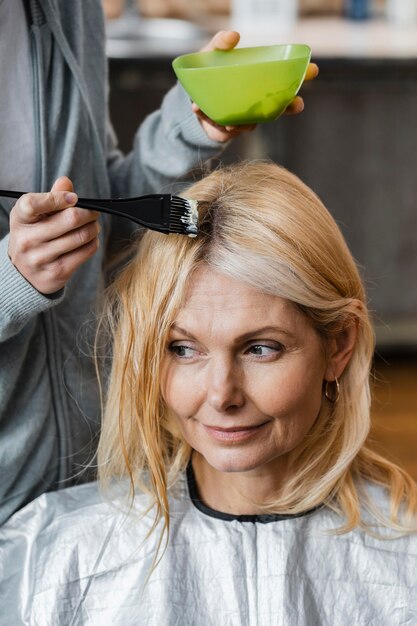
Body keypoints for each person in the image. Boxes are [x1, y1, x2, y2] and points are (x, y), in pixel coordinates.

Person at [1, 161, 416, 625]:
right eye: (183, 349)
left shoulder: (405, 561)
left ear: (339, 344)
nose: (222, 395)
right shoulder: (54, 557)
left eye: (261, 348)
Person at [0, 0, 317, 524]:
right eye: (185, 348)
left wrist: (189, 127)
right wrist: (10, 281)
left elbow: (100, 209)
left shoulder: (71, 10)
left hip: (93, 456)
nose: (221, 395)